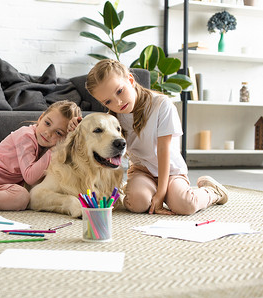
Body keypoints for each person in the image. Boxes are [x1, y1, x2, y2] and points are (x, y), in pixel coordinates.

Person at [69, 59, 228, 215]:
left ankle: (212, 191)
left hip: (170, 171)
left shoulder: (161, 105)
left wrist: (160, 194)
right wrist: (78, 124)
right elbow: (97, 129)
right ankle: (140, 190)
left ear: (130, 79)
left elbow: (163, 152)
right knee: (137, 204)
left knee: (185, 205)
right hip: (142, 171)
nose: (118, 102)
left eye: (119, 91)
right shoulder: (114, 118)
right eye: (108, 101)